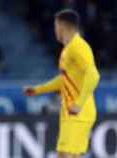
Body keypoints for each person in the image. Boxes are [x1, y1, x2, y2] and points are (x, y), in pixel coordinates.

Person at [23, 9, 100, 158]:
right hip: (73, 112)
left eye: (55, 26)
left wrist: (79, 103)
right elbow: (64, 80)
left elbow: (94, 75)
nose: (54, 30)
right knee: (72, 155)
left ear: (61, 27)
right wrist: (37, 90)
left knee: (64, 155)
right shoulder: (69, 49)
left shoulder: (78, 46)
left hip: (78, 112)